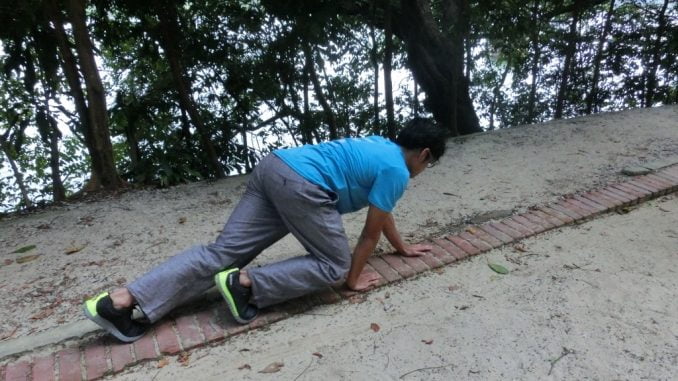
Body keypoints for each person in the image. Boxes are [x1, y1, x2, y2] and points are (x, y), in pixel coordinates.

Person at [83, 118, 446, 342]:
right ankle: (244, 285)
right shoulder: (399, 170)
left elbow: (382, 214)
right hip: (305, 187)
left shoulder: (381, 145)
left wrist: (402, 247)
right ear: (425, 154)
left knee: (221, 253)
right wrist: (350, 280)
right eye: (430, 165)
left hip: (275, 168)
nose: (424, 170)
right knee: (333, 265)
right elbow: (368, 236)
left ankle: (119, 302)